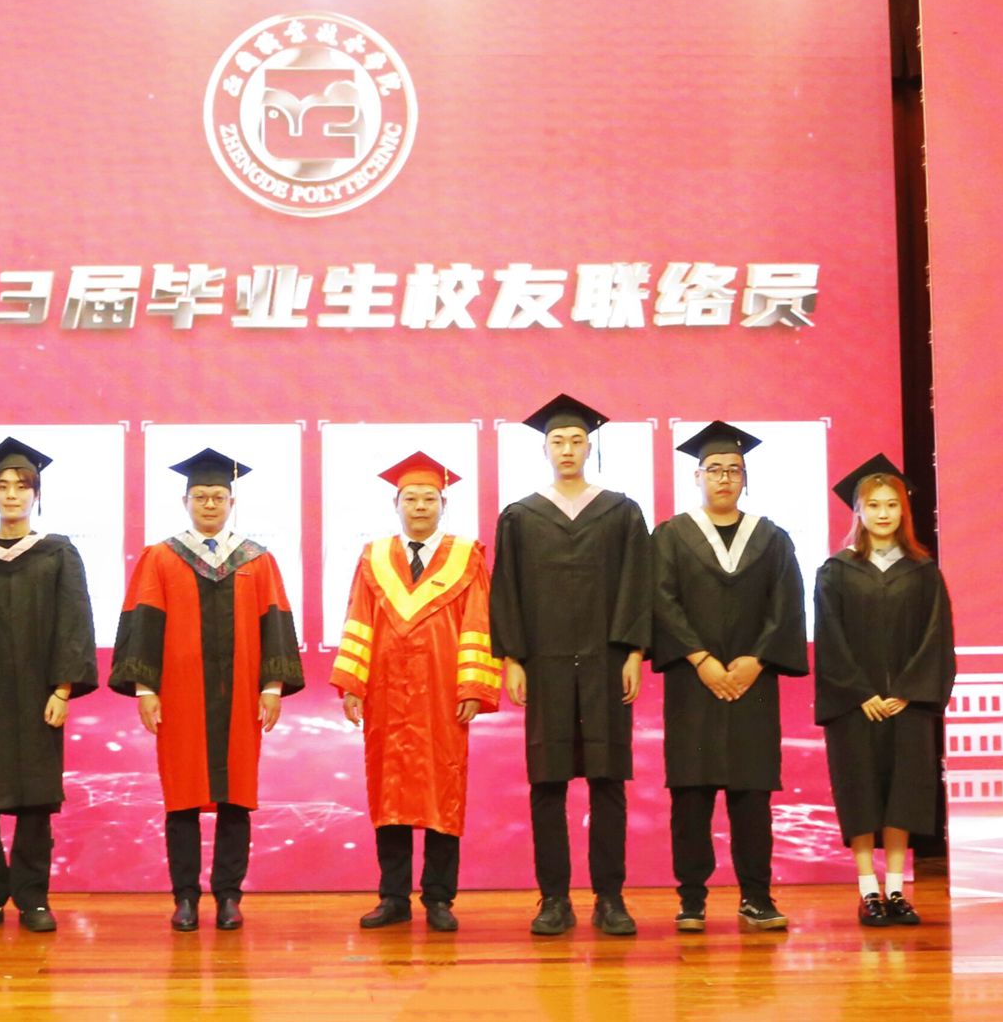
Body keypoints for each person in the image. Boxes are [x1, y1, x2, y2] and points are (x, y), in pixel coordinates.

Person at [108, 448, 304, 932]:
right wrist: (145, 689)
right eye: (201, 496)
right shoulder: (161, 557)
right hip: (180, 696)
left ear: (232, 502)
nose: (210, 504)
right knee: (182, 795)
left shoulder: (257, 559)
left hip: (240, 697)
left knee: (237, 796)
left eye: (218, 496)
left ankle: (229, 896)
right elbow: (144, 622)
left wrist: (272, 686)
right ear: (186, 501)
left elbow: (275, 622)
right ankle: (185, 897)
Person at [490, 395, 652, 936]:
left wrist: (634, 652)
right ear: (545, 449)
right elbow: (507, 589)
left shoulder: (621, 512)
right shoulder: (521, 516)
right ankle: (554, 899)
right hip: (546, 665)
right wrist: (513, 658)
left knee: (608, 781)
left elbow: (637, 584)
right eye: (557, 441)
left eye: (576, 441)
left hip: (607, 661)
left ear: (589, 447)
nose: (567, 449)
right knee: (548, 781)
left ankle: (610, 897)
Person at [332, 452, 501, 933]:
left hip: (442, 692)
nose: (420, 507)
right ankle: (393, 897)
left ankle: (440, 898)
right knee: (390, 792)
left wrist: (472, 685)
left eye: (429, 499)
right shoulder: (374, 556)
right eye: (411, 499)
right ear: (396, 504)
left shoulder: (466, 556)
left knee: (443, 791)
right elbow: (359, 619)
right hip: (386, 691)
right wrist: (353, 684)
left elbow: (478, 624)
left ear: (443, 504)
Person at [651, 421, 808, 933]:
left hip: (752, 683)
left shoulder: (771, 538)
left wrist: (756, 660)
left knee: (752, 794)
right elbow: (662, 601)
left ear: (745, 478)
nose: (724, 478)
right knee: (691, 795)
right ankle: (692, 900)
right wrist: (701, 659)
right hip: (693, 682)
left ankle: (756, 897)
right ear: (697, 476)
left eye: (733, 470)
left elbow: (786, 605)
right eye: (714, 469)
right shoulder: (672, 536)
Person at [0, 437, 99, 934]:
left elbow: (74, 623)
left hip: (38, 695)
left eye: (21, 486)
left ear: (35, 494)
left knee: (34, 799)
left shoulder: (57, 554)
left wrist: (62, 690)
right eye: (3, 486)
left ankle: (32, 897)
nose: (12, 494)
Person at [814, 454, 955, 928]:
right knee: (861, 794)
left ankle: (896, 890)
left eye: (891, 504)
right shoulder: (836, 571)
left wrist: (909, 691)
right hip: (857, 707)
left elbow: (936, 638)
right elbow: (830, 640)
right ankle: (867, 890)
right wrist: (860, 693)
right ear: (858, 511)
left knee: (903, 795)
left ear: (903, 511)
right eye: (873, 505)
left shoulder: (923, 572)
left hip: (906, 705)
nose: (882, 513)